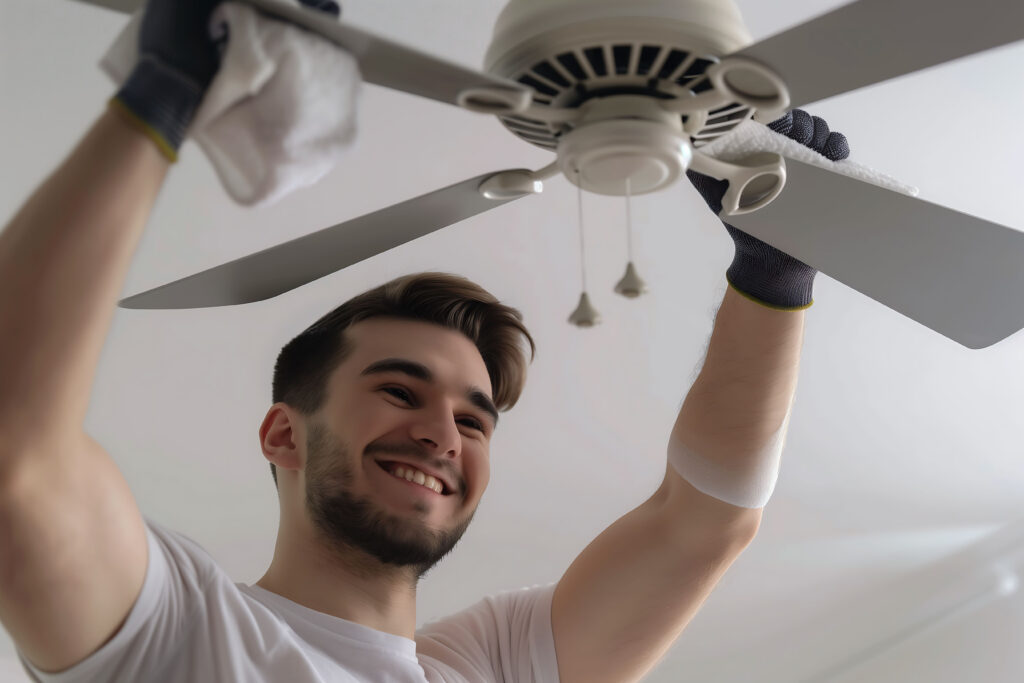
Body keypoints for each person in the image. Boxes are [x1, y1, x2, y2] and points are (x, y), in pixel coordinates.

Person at [0, 1, 850, 681]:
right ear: (284, 433)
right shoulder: (180, 629)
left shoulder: (485, 664)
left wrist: (773, 283)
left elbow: (703, 522)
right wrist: (161, 98)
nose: (444, 434)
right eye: (400, 390)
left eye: (475, 419)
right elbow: (17, 457)